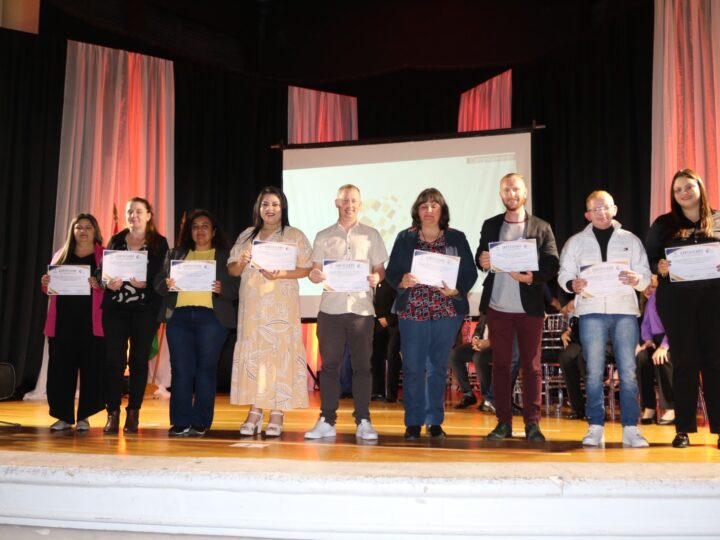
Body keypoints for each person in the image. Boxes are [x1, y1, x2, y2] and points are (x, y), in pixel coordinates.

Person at [558, 190, 651, 447]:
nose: (601, 212)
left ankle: (631, 428)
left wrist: (638, 279)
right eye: (595, 209)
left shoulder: (630, 240)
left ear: (615, 209)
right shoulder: (576, 242)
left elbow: (645, 273)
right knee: (593, 371)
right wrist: (571, 283)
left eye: (605, 207)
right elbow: (563, 273)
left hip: (624, 311)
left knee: (629, 371)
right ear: (587, 214)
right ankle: (595, 426)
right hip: (590, 312)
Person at [386, 188, 478, 439]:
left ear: (442, 210)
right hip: (413, 311)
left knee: (437, 367)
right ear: (417, 210)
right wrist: (401, 281)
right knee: (414, 367)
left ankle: (434, 421)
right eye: (424, 206)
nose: (428, 210)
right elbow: (392, 272)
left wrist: (456, 290)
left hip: (446, 311)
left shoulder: (456, 238)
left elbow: (470, 272)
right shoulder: (405, 238)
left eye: (434, 205)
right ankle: (413, 422)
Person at [476, 173, 559, 442]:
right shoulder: (490, 225)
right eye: (506, 190)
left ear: (524, 193)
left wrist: (532, 277)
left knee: (532, 367)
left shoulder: (541, 227)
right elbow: (481, 256)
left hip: (529, 308)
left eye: (516, 189)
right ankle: (503, 422)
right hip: (498, 307)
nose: (511, 194)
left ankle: (533, 423)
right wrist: (483, 260)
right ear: (501, 194)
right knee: (500, 366)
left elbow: (552, 264)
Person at [304, 184, 387, 441]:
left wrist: (376, 277)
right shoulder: (323, 235)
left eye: (354, 201)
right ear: (337, 203)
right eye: (345, 200)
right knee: (329, 366)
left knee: (362, 366)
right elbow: (314, 270)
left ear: (360, 204)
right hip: (331, 310)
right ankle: (327, 420)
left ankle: (363, 419)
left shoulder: (371, 235)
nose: (349, 205)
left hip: (362, 310)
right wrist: (315, 274)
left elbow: (380, 269)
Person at [228, 187, 312, 437]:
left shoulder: (294, 235)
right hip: (253, 308)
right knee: (255, 355)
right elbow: (232, 270)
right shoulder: (247, 235)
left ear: (282, 208)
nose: (270, 209)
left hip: (282, 307)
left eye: (275, 204)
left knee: (279, 354)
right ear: (259, 208)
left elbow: (306, 268)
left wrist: (282, 274)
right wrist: (242, 260)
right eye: (265, 204)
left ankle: (277, 411)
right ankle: (255, 410)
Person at [645, 168, 720, 449]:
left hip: (715, 303)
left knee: (716, 364)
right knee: (685, 365)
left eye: (689, 187)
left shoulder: (718, 219)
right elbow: (649, 258)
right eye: (678, 190)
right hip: (677, 304)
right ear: (673, 196)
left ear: (700, 187)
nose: (684, 193)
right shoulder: (663, 224)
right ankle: (684, 429)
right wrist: (659, 267)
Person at [155, 209, 239, 437]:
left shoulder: (225, 255)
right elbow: (158, 283)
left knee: (206, 370)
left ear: (213, 231)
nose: (200, 230)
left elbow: (237, 287)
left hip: (212, 318)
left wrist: (224, 289)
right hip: (179, 317)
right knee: (181, 370)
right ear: (189, 231)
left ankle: (201, 421)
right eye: (195, 226)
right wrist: (167, 284)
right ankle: (181, 421)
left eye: (205, 226)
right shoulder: (177, 253)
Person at [100, 197, 169, 434]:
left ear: (149, 215)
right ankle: (112, 413)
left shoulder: (160, 243)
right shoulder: (117, 239)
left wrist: (147, 283)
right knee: (113, 362)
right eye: (130, 211)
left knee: (138, 362)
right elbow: (102, 271)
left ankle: (133, 413)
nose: (134, 216)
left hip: (144, 310)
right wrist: (108, 283)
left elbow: (164, 278)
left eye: (139, 211)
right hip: (115, 310)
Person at [41, 214, 105, 431]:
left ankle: (84, 417)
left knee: (91, 370)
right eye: (79, 227)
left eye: (88, 227)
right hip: (62, 323)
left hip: (91, 322)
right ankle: (64, 416)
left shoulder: (103, 255)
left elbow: (113, 287)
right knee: (61, 370)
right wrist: (45, 282)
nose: (83, 231)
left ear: (95, 231)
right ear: (73, 230)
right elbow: (49, 288)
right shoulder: (61, 254)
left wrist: (100, 285)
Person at [636, 276, 674, 426]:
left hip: (671, 340)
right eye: (646, 286)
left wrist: (664, 346)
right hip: (655, 340)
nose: (647, 290)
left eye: (652, 286)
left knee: (664, 359)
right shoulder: (649, 302)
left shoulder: (668, 298)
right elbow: (645, 325)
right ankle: (649, 407)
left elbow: (675, 325)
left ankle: (671, 407)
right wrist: (648, 340)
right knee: (642, 358)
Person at [370, 278, 401, 402]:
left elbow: (400, 299)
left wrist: (389, 319)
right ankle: (377, 392)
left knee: (392, 354)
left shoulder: (391, 280)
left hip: (394, 323)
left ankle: (392, 394)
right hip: (375, 323)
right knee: (375, 356)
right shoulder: (364, 281)